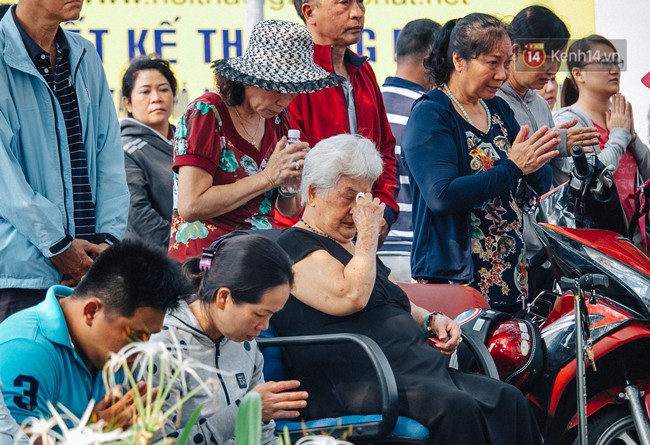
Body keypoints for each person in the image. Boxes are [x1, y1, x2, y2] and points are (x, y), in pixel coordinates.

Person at [272, 134, 541, 444]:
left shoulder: (349, 248)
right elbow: (352, 296)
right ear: (313, 193)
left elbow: (392, 297)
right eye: (348, 196)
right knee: (457, 409)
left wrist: (431, 320)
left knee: (509, 399)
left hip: (414, 371)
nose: (358, 210)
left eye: (364, 198)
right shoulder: (293, 247)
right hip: (359, 379)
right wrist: (368, 235)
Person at [401, 14, 560, 312]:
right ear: (459, 60)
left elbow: (538, 179)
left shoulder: (497, 107)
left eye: (507, 63)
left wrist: (535, 160)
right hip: (455, 280)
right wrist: (513, 168)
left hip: (509, 271)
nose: (502, 74)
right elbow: (442, 196)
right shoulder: (432, 113)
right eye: (492, 63)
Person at [168, 19, 339, 263]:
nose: (285, 101)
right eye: (278, 89)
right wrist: (268, 177)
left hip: (258, 258)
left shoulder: (278, 120)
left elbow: (287, 209)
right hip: (204, 264)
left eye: (294, 91)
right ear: (250, 79)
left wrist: (292, 183)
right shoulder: (206, 114)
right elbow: (191, 205)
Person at [0, 1, 129, 321]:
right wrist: (58, 246)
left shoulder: (84, 54)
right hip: (21, 277)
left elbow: (109, 157)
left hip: (89, 273)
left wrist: (106, 244)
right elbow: (6, 181)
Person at [0, 241, 188, 429]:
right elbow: (18, 439)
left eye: (149, 337)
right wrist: (95, 433)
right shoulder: (26, 350)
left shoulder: (113, 355)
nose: (139, 351)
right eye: (136, 335)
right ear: (91, 311)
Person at [150, 233, 306, 445]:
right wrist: (243, 412)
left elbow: (264, 438)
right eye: (260, 315)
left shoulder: (246, 345)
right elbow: (161, 441)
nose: (265, 327)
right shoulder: (164, 346)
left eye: (272, 316)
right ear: (223, 297)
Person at [275, 0, 399, 249]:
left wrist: (384, 211)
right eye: (344, 4)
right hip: (307, 236)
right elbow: (294, 169)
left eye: (360, 3)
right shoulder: (292, 77)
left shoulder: (364, 72)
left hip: (361, 228)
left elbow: (385, 149)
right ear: (309, 12)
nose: (357, 13)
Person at [497, 6, 599, 298]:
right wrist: (557, 143)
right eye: (546, 56)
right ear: (515, 50)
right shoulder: (491, 99)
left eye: (558, 57)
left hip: (540, 247)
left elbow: (553, 181)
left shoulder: (540, 104)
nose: (553, 68)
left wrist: (569, 154)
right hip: (502, 245)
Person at [555, 35, 650, 220]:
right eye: (603, 62)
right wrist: (620, 136)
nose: (614, 69)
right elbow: (588, 180)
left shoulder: (618, 118)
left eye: (616, 61)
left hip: (634, 236)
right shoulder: (570, 120)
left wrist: (631, 137)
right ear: (578, 74)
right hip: (598, 238)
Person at [377, 18, 440, 282]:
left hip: (370, 246)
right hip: (414, 252)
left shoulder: (370, 104)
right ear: (431, 59)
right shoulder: (430, 112)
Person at [121, 56, 178, 249]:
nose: (156, 98)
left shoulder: (189, 142)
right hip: (158, 262)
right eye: (145, 91)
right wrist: (183, 245)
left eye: (163, 89)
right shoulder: (124, 150)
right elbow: (138, 214)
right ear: (127, 103)